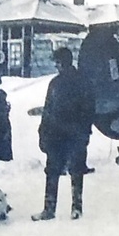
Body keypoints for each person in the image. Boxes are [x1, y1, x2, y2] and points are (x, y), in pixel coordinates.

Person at [33, 45, 97, 220]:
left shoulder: (81, 82)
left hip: (73, 135)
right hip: (58, 136)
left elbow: (89, 109)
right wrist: (43, 131)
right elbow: (48, 109)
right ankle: (51, 209)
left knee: (75, 171)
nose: (56, 65)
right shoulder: (56, 83)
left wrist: (84, 131)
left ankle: (75, 208)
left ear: (63, 62)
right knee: (54, 171)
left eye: (57, 62)